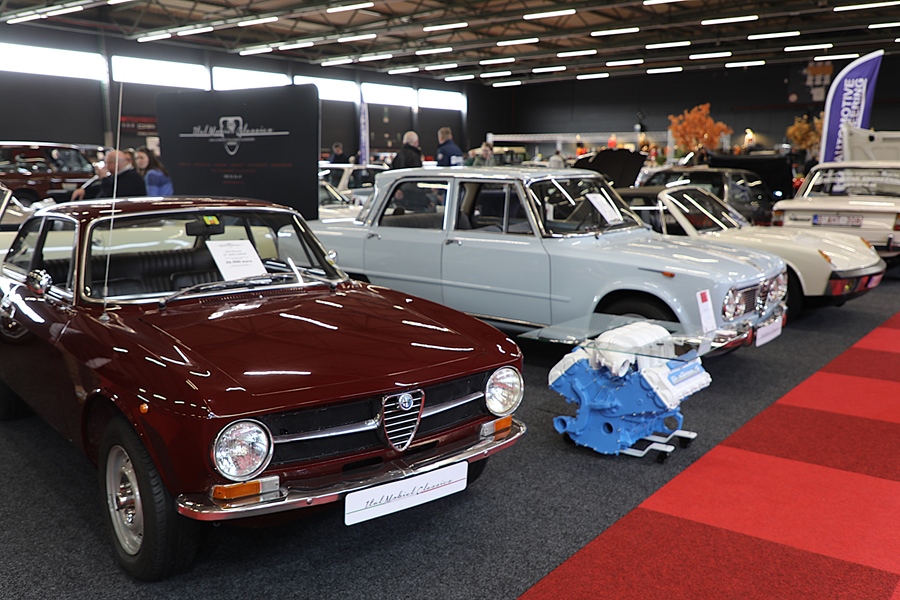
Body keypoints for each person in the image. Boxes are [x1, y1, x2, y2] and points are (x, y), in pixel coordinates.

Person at [71, 149, 146, 200]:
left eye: (108, 163)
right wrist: (85, 190)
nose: (106, 166)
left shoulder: (131, 178)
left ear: (115, 164)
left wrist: (104, 178)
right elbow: (98, 188)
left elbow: (109, 196)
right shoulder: (117, 175)